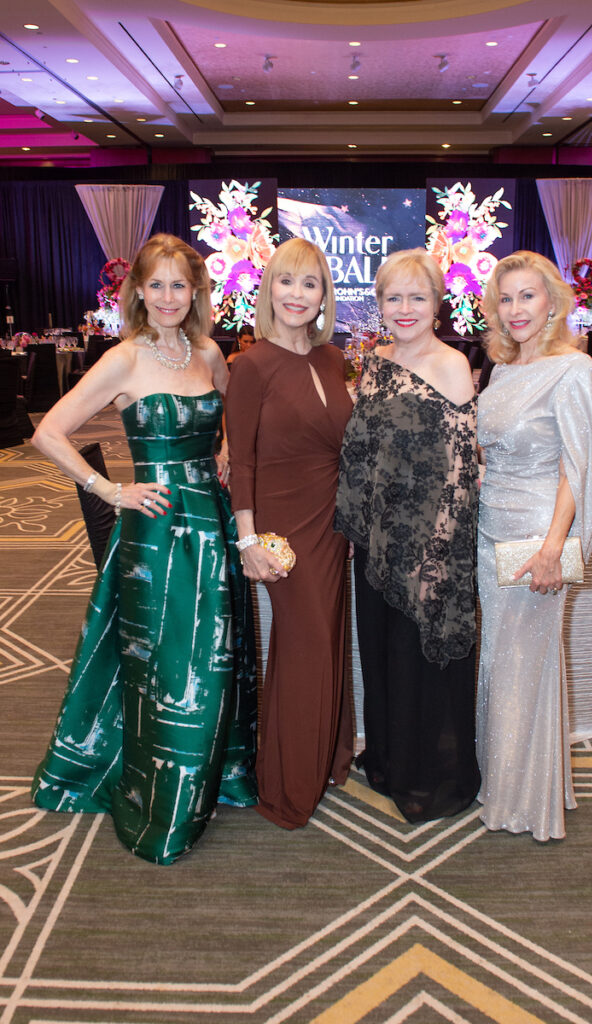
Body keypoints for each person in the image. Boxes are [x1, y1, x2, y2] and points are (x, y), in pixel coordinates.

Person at [31, 233, 258, 864]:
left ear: (195, 292)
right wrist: (109, 489)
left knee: (215, 654)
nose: (166, 297)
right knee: (165, 663)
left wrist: (223, 455)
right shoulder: (123, 359)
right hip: (155, 529)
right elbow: (48, 431)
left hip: (211, 521)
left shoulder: (210, 353)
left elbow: (230, 425)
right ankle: (164, 802)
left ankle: (220, 777)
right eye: (154, 285)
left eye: (178, 285)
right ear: (137, 291)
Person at [335, 248, 480, 824]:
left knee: (419, 658)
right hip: (376, 541)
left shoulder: (449, 364)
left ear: (437, 304)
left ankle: (430, 771)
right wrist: (353, 521)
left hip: (428, 546)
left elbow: (461, 468)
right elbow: (361, 450)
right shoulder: (374, 360)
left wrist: (437, 552)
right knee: (382, 653)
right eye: (392, 298)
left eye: (416, 297)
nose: (404, 308)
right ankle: (391, 758)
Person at [225, 236, 354, 830]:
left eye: (310, 283)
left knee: (326, 639)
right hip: (282, 527)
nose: (297, 294)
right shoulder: (250, 365)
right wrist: (247, 539)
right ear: (268, 289)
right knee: (304, 645)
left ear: (324, 293)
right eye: (286, 281)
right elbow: (242, 461)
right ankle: (286, 784)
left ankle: (325, 756)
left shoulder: (333, 358)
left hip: (333, 523)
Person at [476, 250, 592, 841]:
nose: (516, 309)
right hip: (487, 532)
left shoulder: (575, 370)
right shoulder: (501, 369)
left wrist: (556, 547)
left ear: (552, 301)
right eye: (506, 298)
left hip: (535, 538)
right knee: (501, 662)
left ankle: (525, 800)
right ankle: (508, 781)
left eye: (528, 296)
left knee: (524, 662)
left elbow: (577, 470)